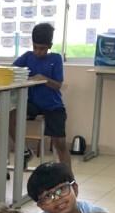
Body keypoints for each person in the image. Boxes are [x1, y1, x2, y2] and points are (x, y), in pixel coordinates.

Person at [11, 24, 71, 168]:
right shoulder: (28, 57)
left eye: (42, 48)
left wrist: (43, 79)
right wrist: (24, 77)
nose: (38, 52)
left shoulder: (55, 59)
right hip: (33, 104)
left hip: (53, 105)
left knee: (60, 143)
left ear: (49, 46)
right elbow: (12, 70)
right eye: (35, 47)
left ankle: (69, 176)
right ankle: (24, 151)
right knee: (11, 117)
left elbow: (58, 85)